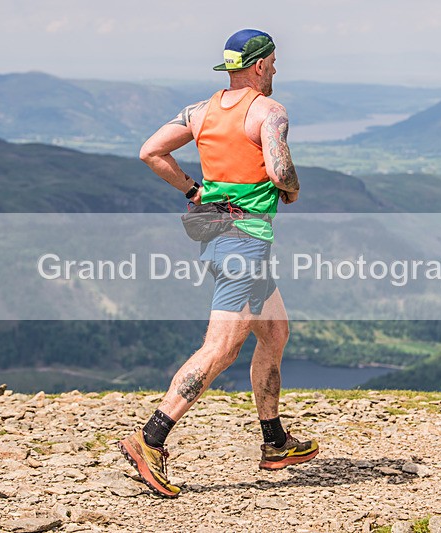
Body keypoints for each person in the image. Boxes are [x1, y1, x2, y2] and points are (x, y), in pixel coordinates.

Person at [118, 29, 319, 498]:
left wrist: (192, 190)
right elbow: (281, 170)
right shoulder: (269, 112)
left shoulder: (200, 111)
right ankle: (149, 439)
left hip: (216, 233)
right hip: (245, 242)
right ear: (258, 65)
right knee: (221, 347)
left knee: (274, 330)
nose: (276, 69)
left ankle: (274, 442)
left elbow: (151, 151)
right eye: (272, 61)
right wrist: (291, 190)